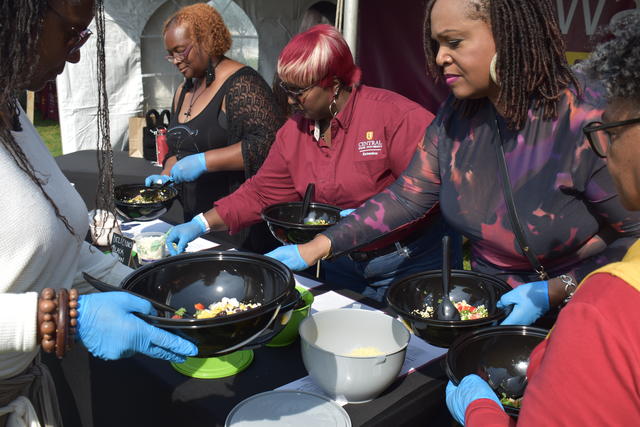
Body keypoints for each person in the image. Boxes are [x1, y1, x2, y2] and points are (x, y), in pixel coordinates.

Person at [269, 0, 640, 318]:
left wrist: (557, 289)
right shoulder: (454, 118)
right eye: (436, 44)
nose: (440, 57)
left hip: (586, 307)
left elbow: (635, 239)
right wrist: (314, 247)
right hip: (488, 303)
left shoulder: (582, 118)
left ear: (509, 37)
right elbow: (406, 197)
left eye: (454, 42)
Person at [0, 1, 197, 425]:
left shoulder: (10, 110)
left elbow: (60, 247)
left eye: (84, 38)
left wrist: (149, 287)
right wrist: (59, 317)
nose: (74, 54)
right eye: (71, 33)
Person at [166, 24, 461, 302]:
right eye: (286, 89)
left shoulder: (395, 117)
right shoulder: (295, 132)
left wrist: (364, 216)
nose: (291, 101)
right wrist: (201, 223)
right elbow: (261, 192)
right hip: (337, 258)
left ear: (333, 85)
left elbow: (428, 191)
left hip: (407, 260)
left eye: (299, 91)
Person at [446, 10, 640, 425]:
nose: (605, 147)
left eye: (613, 130)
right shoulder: (456, 116)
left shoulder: (603, 313)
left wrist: (482, 412)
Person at [144, 3, 284, 253]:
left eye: (181, 51)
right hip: (196, 223)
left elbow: (268, 145)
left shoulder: (242, 84)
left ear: (206, 41)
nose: (175, 61)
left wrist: (204, 161)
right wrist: (166, 176)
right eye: (170, 54)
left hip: (239, 228)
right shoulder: (183, 89)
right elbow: (177, 148)